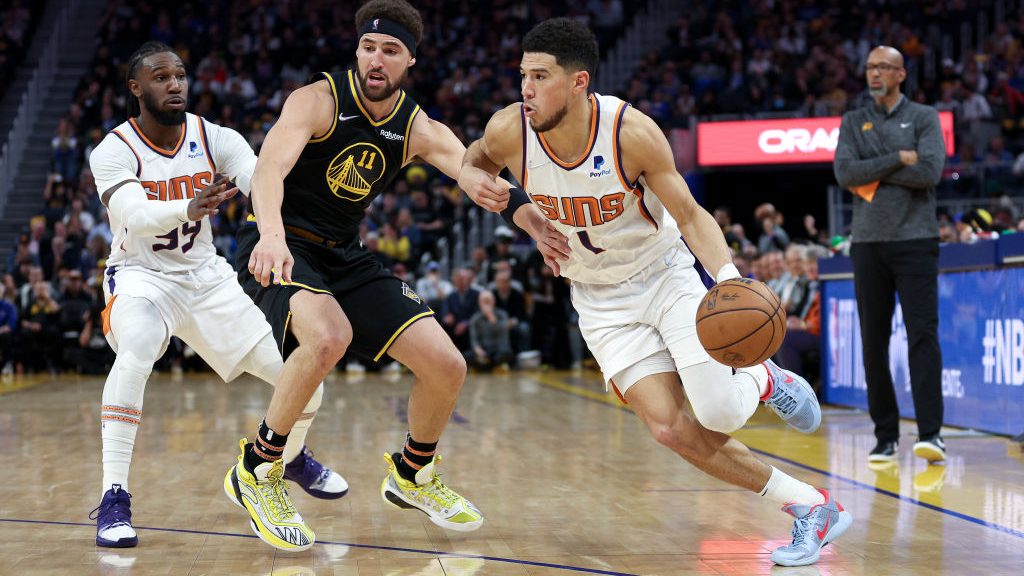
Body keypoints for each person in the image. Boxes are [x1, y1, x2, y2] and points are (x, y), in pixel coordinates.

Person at [459, 18, 849, 567]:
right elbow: (472, 162)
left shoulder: (630, 132)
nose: (525, 88)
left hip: (663, 276)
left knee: (717, 413)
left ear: (578, 82)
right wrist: (523, 215)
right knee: (669, 429)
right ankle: (812, 506)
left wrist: (730, 280)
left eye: (540, 76)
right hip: (596, 297)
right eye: (523, 74)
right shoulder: (509, 130)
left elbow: (690, 214)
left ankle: (762, 377)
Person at [224, 0, 563, 551]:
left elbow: (477, 173)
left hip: (342, 254)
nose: (376, 59)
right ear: (357, 50)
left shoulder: (415, 125)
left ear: (410, 61)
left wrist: (530, 222)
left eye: (390, 51)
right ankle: (258, 469)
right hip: (277, 242)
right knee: (329, 336)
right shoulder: (317, 99)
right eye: (368, 47)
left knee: (447, 365)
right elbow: (269, 169)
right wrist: (271, 234)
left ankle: (413, 475)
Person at [87, 42, 346, 549]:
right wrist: (188, 207)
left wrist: (294, 195)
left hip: (208, 278)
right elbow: (134, 217)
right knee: (136, 348)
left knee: (308, 380)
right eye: (160, 77)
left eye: (180, 74)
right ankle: (114, 495)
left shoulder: (215, 136)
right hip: (141, 277)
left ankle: (284, 457)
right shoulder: (114, 149)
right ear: (135, 87)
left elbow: (261, 178)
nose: (175, 84)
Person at [833, 45, 946, 465]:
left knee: (922, 336)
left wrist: (874, 170)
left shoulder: (924, 117)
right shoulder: (852, 120)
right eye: (869, 67)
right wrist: (899, 157)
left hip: (916, 240)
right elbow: (846, 174)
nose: (874, 73)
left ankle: (932, 435)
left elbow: (929, 173)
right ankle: (885, 436)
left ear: (901, 74)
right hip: (867, 243)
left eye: (883, 67)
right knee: (873, 341)